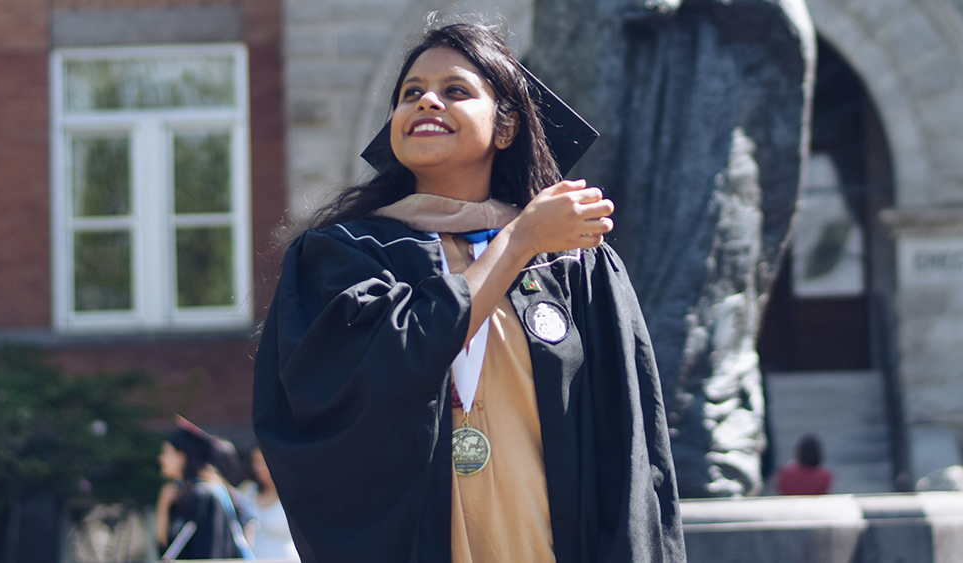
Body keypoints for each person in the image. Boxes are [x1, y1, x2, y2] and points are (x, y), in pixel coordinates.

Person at [253, 19, 686, 563]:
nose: (427, 102)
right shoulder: (347, 255)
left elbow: (628, 451)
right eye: (412, 94)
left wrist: (530, 238)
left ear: (505, 128)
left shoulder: (573, 261)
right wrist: (521, 236)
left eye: (455, 91)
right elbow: (376, 372)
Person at [155, 416, 253, 560]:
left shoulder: (205, 495)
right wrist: (163, 508)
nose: (161, 458)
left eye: (167, 452)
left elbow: (208, 554)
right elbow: (167, 551)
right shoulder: (181, 494)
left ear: (182, 456)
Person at [238, 447, 301, 561]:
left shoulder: (293, 494)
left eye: (263, 461)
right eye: (255, 461)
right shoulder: (248, 490)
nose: (258, 467)